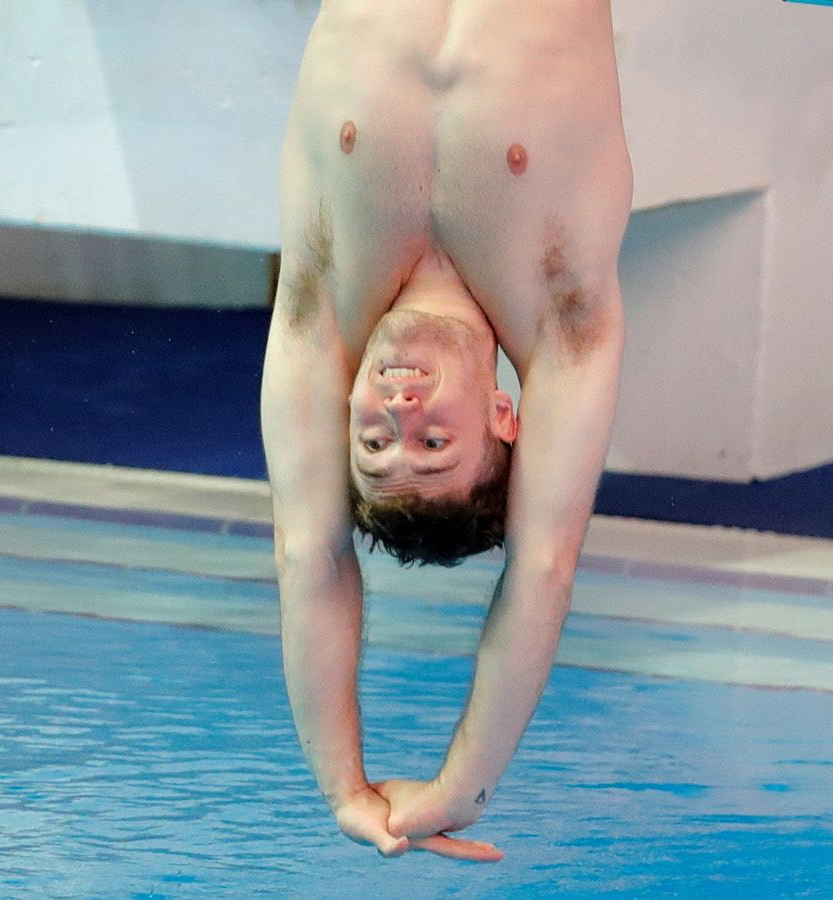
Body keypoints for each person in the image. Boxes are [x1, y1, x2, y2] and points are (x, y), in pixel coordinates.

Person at [259, 0, 632, 863]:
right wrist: (462, 785)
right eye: (433, 445)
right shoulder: (565, 312)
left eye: (374, 445)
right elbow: (542, 566)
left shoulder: (322, 303)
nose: (399, 416)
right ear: (507, 419)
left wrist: (342, 784)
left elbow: (307, 549)